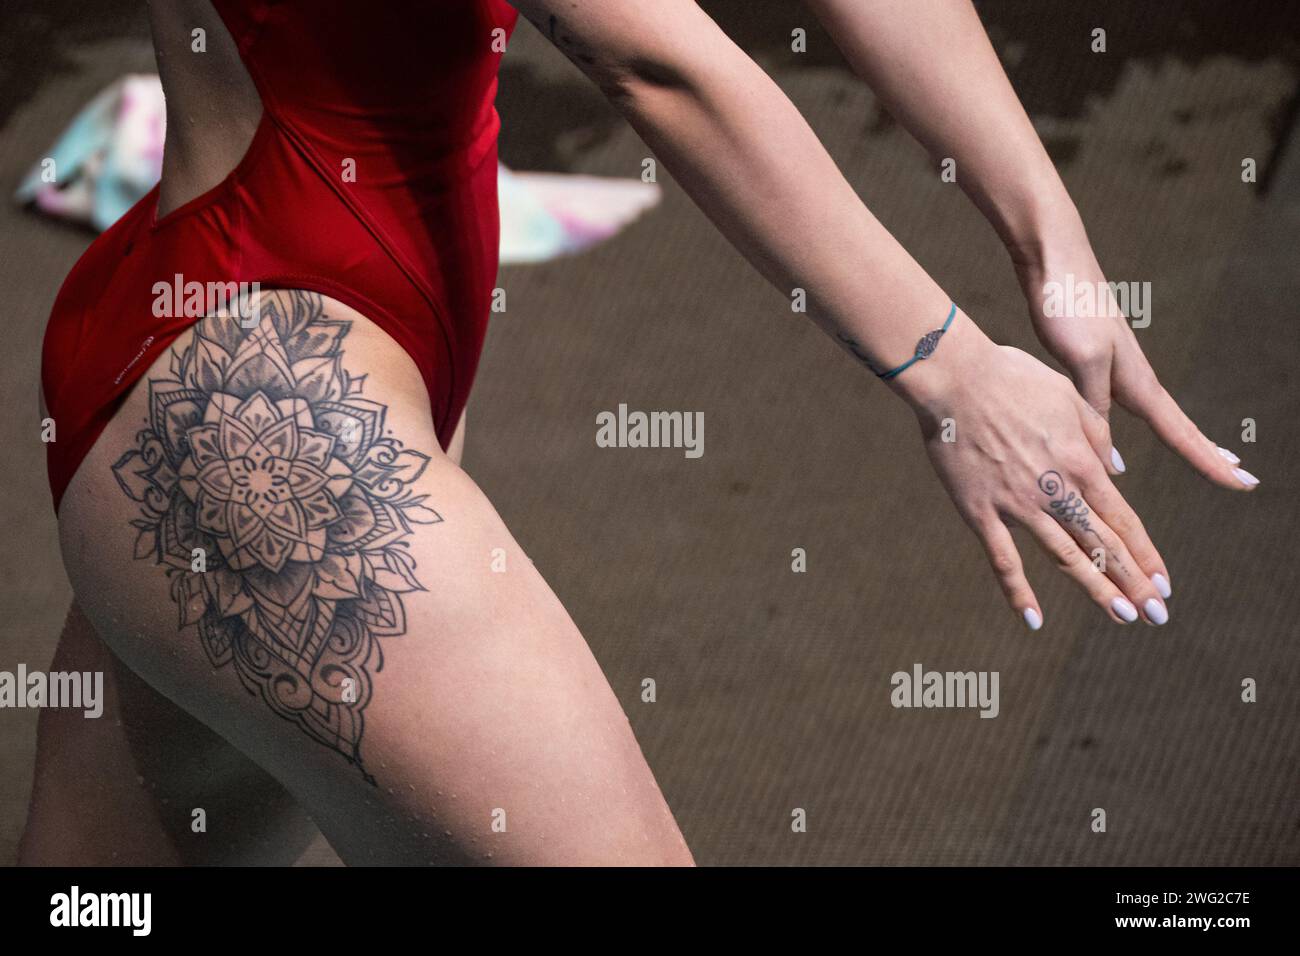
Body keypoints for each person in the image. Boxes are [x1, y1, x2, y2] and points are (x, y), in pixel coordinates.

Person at [21, 0, 1255, 866]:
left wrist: (1052, 234)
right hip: (255, 403)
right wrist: (950, 367)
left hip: (278, 367)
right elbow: (647, 55)